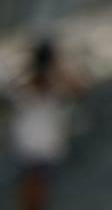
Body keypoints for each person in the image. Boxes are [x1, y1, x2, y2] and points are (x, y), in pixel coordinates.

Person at [5, 40, 84, 210]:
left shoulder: (57, 87)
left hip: (45, 148)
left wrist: (57, 71)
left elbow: (79, 90)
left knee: (38, 192)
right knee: (32, 191)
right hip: (30, 148)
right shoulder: (25, 86)